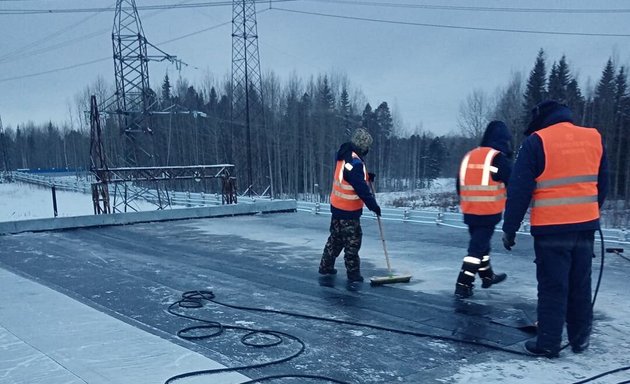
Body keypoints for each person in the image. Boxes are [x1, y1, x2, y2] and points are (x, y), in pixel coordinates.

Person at [501, 100, 608, 357]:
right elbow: (601, 184)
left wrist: (510, 228)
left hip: (551, 228)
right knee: (580, 283)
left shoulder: (537, 141)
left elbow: (519, 190)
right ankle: (580, 341)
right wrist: (589, 213)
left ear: (540, 118)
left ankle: (548, 343)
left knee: (553, 285)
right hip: (585, 226)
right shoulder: (593, 137)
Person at [454, 120, 512, 298]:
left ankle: (487, 276)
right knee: (476, 250)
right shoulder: (498, 158)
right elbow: (514, 183)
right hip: (488, 212)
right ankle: (463, 283)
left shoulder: (470, 155)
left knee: (481, 246)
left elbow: (459, 183)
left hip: (469, 210)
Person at [319, 127, 381, 282]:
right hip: (349, 211)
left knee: (335, 238)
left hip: (337, 206)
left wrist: (366, 176)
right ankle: (353, 274)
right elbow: (360, 187)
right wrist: (373, 205)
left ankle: (325, 266)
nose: (368, 150)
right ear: (362, 145)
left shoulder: (344, 154)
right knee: (352, 242)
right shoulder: (355, 161)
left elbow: (350, 176)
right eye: (367, 147)